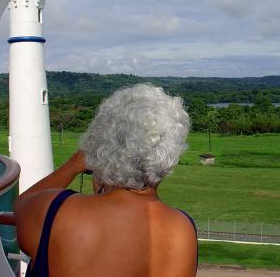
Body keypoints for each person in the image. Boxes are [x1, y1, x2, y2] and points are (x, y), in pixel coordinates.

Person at [14, 84, 197, 277]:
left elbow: (21, 206)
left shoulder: (56, 210)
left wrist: (74, 164)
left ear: (100, 145)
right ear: (169, 154)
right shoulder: (182, 229)